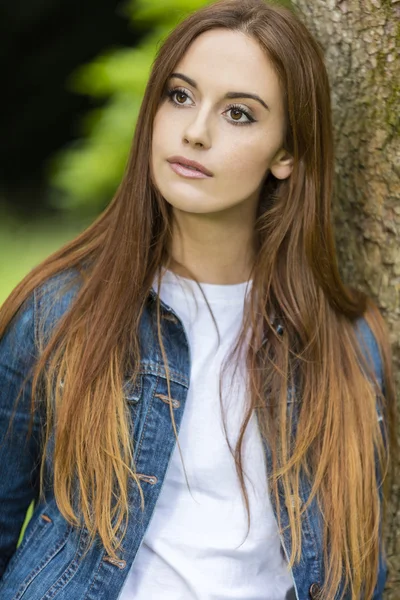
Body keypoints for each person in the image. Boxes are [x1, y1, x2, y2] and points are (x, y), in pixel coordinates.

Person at [0, 0, 396, 598]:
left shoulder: (348, 342)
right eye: (180, 96)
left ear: (287, 154)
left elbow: (358, 569)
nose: (195, 131)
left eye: (239, 113)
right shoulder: (60, 311)